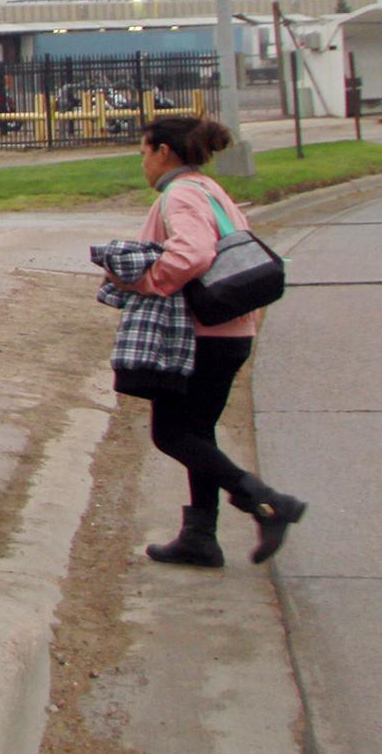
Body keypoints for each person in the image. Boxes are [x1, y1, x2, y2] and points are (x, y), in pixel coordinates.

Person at [114, 113, 307, 569]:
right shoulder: (208, 188)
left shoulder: (179, 195)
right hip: (233, 331)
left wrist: (146, 281)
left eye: (144, 152)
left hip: (202, 335)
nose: (142, 162)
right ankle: (200, 536)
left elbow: (193, 253)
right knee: (198, 433)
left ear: (163, 152)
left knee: (171, 433)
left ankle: (265, 500)